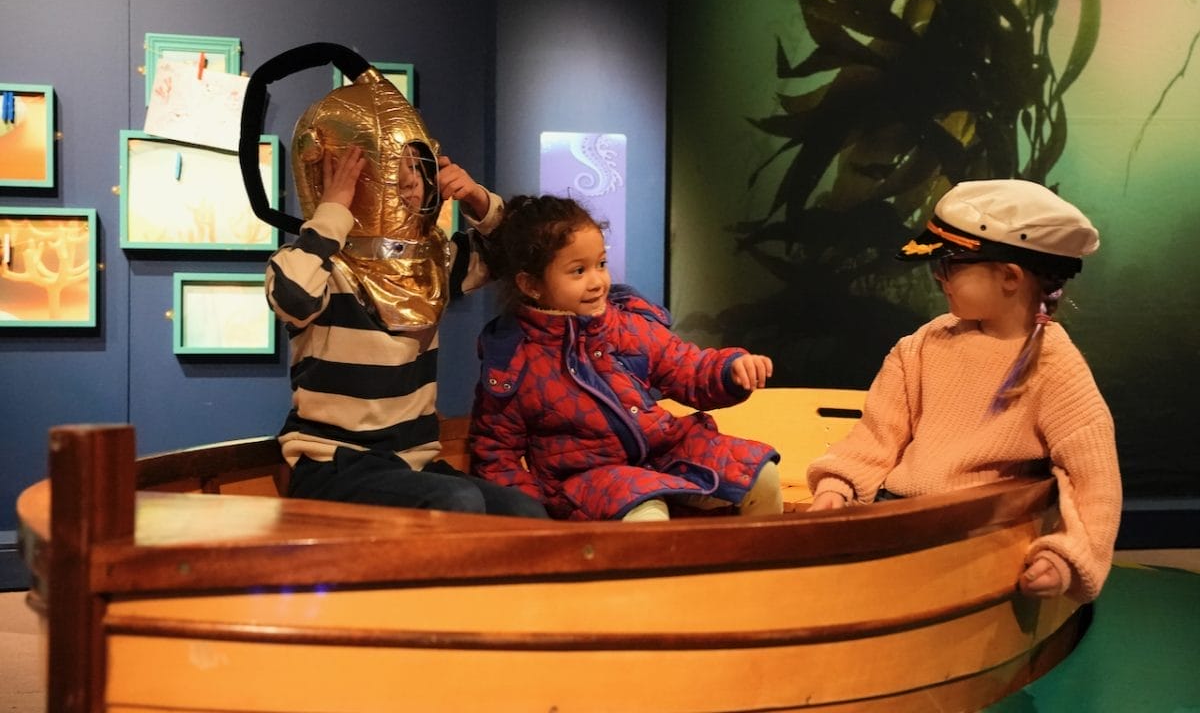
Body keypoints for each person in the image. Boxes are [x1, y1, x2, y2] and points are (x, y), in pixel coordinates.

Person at [806, 179, 1120, 602]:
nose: (939, 277)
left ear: (1009, 277)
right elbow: (877, 437)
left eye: (950, 265)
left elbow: (1093, 483)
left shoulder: (1054, 367)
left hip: (975, 539)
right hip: (892, 516)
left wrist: (1067, 556)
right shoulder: (920, 347)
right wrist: (837, 486)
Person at [264, 68, 546, 519]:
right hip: (333, 464)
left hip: (409, 464)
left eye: (416, 168)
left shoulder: (431, 262)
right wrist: (333, 211)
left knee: (523, 513)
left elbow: (513, 252)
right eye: (389, 170)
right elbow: (294, 297)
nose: (410, 182)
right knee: (458, 503)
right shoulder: (320, 265)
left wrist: (476, 199)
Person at [469, 194, 783, 522]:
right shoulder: (515, 359)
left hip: (663, 453)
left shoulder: (627, 322)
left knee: (760, 477)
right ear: (531, 285)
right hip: (590, 481)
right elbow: (497, 453)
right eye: (578, 271)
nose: (597, 282)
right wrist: (536, 520)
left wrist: (730, 369)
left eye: (600, 264)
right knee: (647, 512)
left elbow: (685, 366)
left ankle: (756, 570)